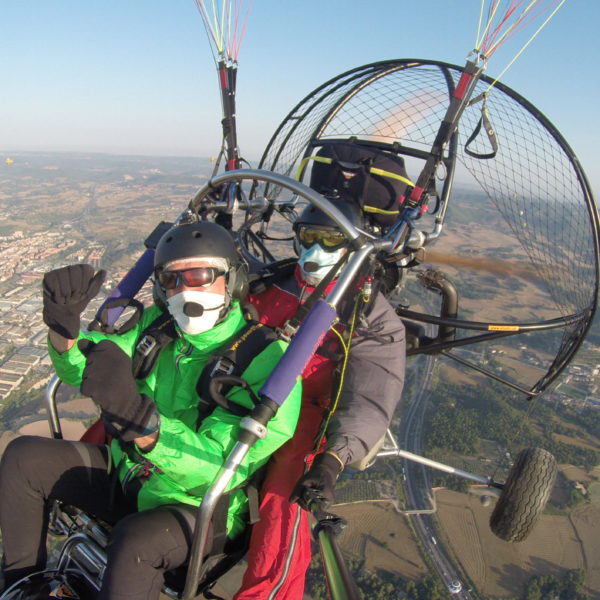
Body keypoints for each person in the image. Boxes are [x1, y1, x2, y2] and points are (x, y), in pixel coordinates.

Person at [0, 221, 302, 600]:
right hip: (132, 474)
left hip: (199, 506)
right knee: (22, 458)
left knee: (135, 542)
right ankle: (25, 586)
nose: (186, 289)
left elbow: (218, 469)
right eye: (172, 279)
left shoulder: (268, 362)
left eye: (200, 275)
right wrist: (64, 332)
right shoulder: (157, 328)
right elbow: (91, 367)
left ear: (233, 280)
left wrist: (144, 427)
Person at [234, 197, 406, 599]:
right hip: (240, 390)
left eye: (330, 240)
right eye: (309, 236)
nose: (316, 249)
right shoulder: (268, 283)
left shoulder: (369, 315)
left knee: (285, 493)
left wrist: (332, 461)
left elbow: (369, 395)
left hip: (306, 412)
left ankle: (268, 592)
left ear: (351, 247)